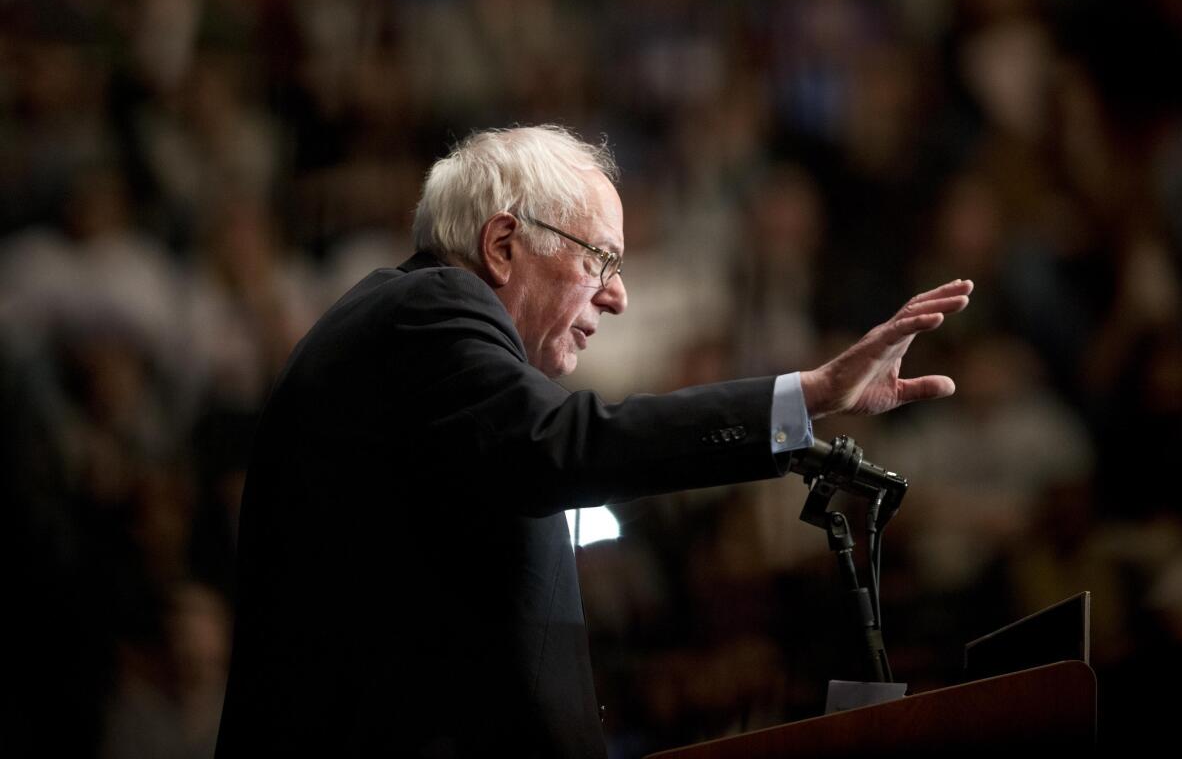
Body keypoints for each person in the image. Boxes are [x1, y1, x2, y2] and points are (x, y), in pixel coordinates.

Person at [214, 125, 972, 757]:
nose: (618, 294)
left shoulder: (433, 364)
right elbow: (568, 446)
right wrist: (806, 396)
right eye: (601, 258)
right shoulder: (428, 307)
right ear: (505, 243)